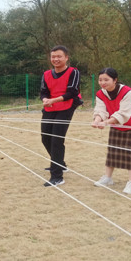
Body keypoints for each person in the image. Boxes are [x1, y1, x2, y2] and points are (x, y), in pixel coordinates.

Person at [92, 67, 131, 194]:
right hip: (114, 122)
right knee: (112, 150)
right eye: (100, 80)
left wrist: (106, 122)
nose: (102, 83)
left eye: (106, 80)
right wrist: (97, 120)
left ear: (115, 80)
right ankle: (108, 178)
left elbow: (124, 113)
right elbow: (101, 110)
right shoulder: (100, 93)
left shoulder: (127, 92)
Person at [40, 45, 82, 187]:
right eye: (53, 57)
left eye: (59, 56)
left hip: (67, 106)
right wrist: (45, 100)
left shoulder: (73, 72)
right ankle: (60, 163)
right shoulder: (46, 74)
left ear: (66, 58)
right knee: (45, 138)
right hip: (50, 107)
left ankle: (57, 176)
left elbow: (72, 92)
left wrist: (54, 100)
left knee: (57, 139)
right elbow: (43, 92)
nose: (56, 59)